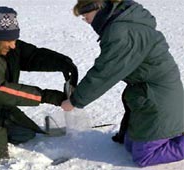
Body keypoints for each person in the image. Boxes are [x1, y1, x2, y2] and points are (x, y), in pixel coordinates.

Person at [61, 0, 184, 167]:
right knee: (129, 144)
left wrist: (75, 100)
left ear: (98, 8)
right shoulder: (122, 24)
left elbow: (105, 72)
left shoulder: (122, 32)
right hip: (147, 94)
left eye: (85, 15)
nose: (86, 21)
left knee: (144, 156)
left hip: (160, 99)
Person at [0, 6, 78, 161]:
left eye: (14, 39)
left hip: (0, 109)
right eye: (9, 40)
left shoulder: (6, 46)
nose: (13, 45)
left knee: (28, 135)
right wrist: (47, 96)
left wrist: (63, 63)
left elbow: (33, 56)